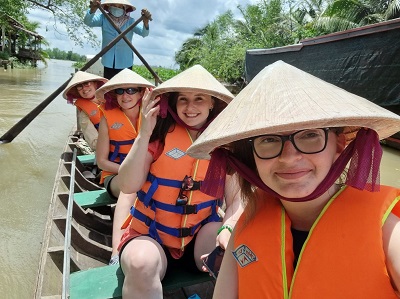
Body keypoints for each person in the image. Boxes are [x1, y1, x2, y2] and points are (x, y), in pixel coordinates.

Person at [187, 60, 400, 298]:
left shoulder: (389, 233)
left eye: (310, 135)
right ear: (253, 156)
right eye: (268, 139)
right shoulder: (247, 227)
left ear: (339, 144)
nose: (288, 158)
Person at [116, 65, 243, 298]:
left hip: (199, 237)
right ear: (173, 102)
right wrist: (143, 133)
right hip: (150, 236)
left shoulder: (223, 144)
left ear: (212, 103)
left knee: (234, 254)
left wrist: (228, 229)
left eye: (199, 99)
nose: (190, 106)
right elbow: (127, 186)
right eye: (183, 99)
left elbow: (235, 200)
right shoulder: (159, 134)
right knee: (140, 264)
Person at [95, 68, 155, 263]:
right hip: (115, 176)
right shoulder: (107, 118)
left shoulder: (153, 118)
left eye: (130, 90)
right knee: (129, 188)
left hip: (146, 173)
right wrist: (129, 171)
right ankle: (116, 252)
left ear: (141, 93)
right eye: (119, 91)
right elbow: (101, 161)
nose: (125, 96)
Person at [84, 0, 152, 79]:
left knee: (124, 88)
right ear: (109, 7)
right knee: (109, 86)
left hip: (125, 62)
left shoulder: (130, 21)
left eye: (120, 7)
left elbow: (144, 33)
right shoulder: (103, 18)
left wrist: (146, 22)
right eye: (114, 6)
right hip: (108, 61)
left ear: (125, 9)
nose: (117, 8)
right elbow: (88, 22)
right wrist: (93, 9)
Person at [62, 71, 108, 151]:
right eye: (79, 86)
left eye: (87, 83)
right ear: (77, 91)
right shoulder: (84, 115)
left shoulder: (112, 99)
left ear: (95, 84)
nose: (84, 89)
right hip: (108, 152)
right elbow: (94, 143)